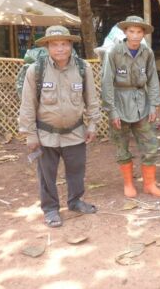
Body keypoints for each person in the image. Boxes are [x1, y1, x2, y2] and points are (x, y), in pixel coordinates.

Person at [19, 26, 100, 228]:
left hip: (75, 132)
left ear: (71, 45)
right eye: (54, 44)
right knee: (47, 174)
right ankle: (51, 209)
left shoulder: (83, 68)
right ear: (47, 47)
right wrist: (30, 134)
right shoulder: (35, 70)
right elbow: (28, 105)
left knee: (76, 170)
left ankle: (75, 201)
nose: (60, 49)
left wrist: (93, 124)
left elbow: (91, 99)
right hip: (45, 134)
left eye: (64, 44)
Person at [101, 15, 160, 198]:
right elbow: (107, 82)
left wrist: (154, 104)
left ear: (143, 34)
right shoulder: (113, 52)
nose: (135, 35)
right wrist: (111, 110)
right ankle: (129, 184)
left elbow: (153, 79)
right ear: (125, 32)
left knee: (151, 144)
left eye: (139, 32)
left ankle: (149, 184)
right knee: (121, 146)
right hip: (119, 103)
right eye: (131, 31)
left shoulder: (147, 53)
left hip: (142, 103)